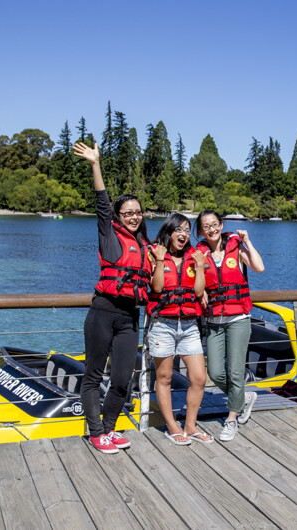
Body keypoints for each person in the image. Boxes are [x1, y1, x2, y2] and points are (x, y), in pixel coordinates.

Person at [73, 140, 152, 454]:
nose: (134, 217)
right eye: (127, 213)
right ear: (118, 216)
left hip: (130, 316)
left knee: (122, 378)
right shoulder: (108, 234)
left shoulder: (145, 246)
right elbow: (101, 202)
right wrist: (96, 164)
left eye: (137, 212)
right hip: (103, 312)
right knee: (93, 375)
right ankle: (96, 433)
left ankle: (109, 428)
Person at [195, 211, 264, 442]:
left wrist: (248, 242)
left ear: (221, 225)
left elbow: (259, 268)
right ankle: (244, 398)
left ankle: (231, 419)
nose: (212, 229)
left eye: (215, 224)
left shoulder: (236, 247)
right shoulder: (200, 254)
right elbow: (195, 281)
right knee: (215, 371)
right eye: (206, 226)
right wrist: (202, 291)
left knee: (235, 371)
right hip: (214, 320)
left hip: (238, 319)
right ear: (201, 231)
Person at [147, 213, 211, 445]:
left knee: (199, 377)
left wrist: (200, 266)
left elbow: (198, 291)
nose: (183, 234)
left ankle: (190, 426)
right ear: (169, 231)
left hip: (189, 325)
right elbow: (157, 287)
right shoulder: (155, 254)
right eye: (179, 229)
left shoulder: (194, 257)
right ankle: (172, 426)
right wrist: (160, 260)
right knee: (164, 377)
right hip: (162, 324)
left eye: (187, 230)